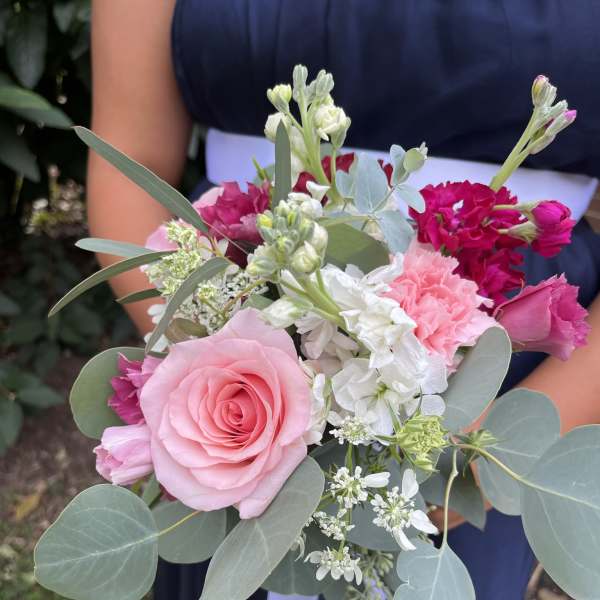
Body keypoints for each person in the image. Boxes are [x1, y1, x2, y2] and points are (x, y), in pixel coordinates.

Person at [88, 2, 600, 599]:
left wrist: (477, 463)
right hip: (235, 308)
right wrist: (207, 358)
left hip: (502, 367)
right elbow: (129, 156)